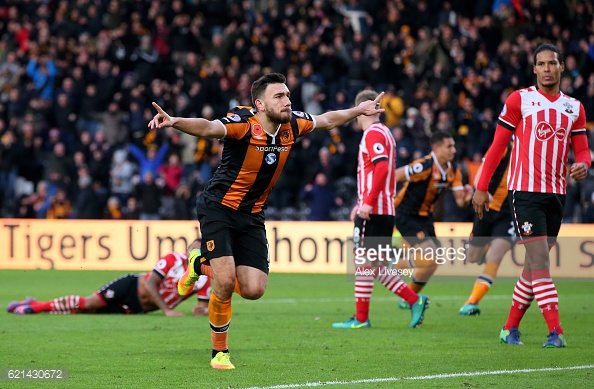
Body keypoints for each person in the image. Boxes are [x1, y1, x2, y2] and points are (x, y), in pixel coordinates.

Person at [148, 73, 384, 369]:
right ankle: (219, 352)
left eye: (287, 95)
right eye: (279, 97)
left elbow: (327, 120)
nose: (287, 101)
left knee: (254, 289)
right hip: (218, 208)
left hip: (252, 215)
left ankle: (197, 264)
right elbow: (208, 128)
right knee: (223, 281)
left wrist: (358, 111)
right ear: (260, 104)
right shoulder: (243, 123)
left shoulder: (292, 124)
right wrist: (175, 121)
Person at [472, 44, 591, 348]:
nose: (547, 69)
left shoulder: (574, 108)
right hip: (524, 192)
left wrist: (584, 166)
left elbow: (582, 150)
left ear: (561, 67)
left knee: (532, 266)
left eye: (552, 63)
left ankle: (509, 328)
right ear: (535, 69)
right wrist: (482, 186)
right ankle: (556, 331)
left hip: (556, 195)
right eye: (541, 64)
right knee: (540, 261)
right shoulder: (519, 100)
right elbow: (498, 146)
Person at [332, 90, 430, 330]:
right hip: (384, 209)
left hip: (374, 210)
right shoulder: (386, 132)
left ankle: (362, 318)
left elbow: (382, 168)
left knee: (363, 263)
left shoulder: (373, 133)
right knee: (375, 266)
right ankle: (414, 300)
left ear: (360, 110)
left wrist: (366, 202)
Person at [7, 240, 210, 316]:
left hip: (137, 308)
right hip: (131, 286)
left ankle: (32, 303)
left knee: (88, 311)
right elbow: (150, 283)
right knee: (90, 302)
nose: (191, 256)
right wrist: (166, 310)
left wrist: (202, 310)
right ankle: (36, 307)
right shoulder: (172, 259)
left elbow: (203, 305)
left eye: (196, 253)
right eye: (191, 251)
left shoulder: (203, 277)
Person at [393, 131, 474, 308]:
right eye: (449, 146)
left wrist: (467, 199)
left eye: (453, 146)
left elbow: (460, 201)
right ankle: (396, 265)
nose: (453, 150)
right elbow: (395, 176)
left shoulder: (453, 170)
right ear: (436, 148)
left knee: (434, 263)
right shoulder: (424, 166)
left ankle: (408, 298)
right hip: (405, 213)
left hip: (426, 217)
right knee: (430, 256)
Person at [459, 142, 515, 316]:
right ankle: (484, 247)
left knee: (495, 257)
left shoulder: (533, 154)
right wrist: (482, 189)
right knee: (472, 257)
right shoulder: (504, 146)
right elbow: (481, 173)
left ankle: (471, 302)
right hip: (486, 208)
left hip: (508, 215)